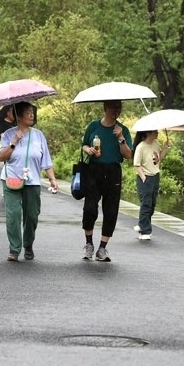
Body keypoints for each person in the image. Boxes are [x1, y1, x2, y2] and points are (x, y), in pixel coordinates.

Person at [0, 102, 58, 262]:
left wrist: (52, 178)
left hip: (32, 182)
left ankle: (28, 243)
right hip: (11, 178)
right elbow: (1, 157)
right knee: (13, 215)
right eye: (28, 112)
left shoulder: (39, 135)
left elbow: (46, 160)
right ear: (18, 115)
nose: (32, 115)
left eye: (32, 112)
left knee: (32, 216)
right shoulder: (7, 134)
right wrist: (14, 142)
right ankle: (14, 249)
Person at [80, 100, 133, 262]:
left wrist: (121, 138)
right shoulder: (94, 126)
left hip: (113, 171)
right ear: (105, 108)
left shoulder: (122, 130)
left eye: (118, 108)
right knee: (90, 208)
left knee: (110, 210)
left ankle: (102, 248)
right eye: (112, 107)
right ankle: (89, 244)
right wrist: (88, 149)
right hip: (94, 170)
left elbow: (128, 155)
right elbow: (84, 145)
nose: (116, 110)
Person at [132, 130, 171, 240]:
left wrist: (165, 148)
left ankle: (141, 224)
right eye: (154, 131)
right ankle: (145, 231)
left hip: (155, 176)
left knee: (152, 204)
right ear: (148, 133)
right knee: (146, 203)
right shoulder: (141, 147)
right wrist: (143, 178)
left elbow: (159, 160)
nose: (157, 132)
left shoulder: (155, 144)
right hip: (145, 177)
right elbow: (136, 164)